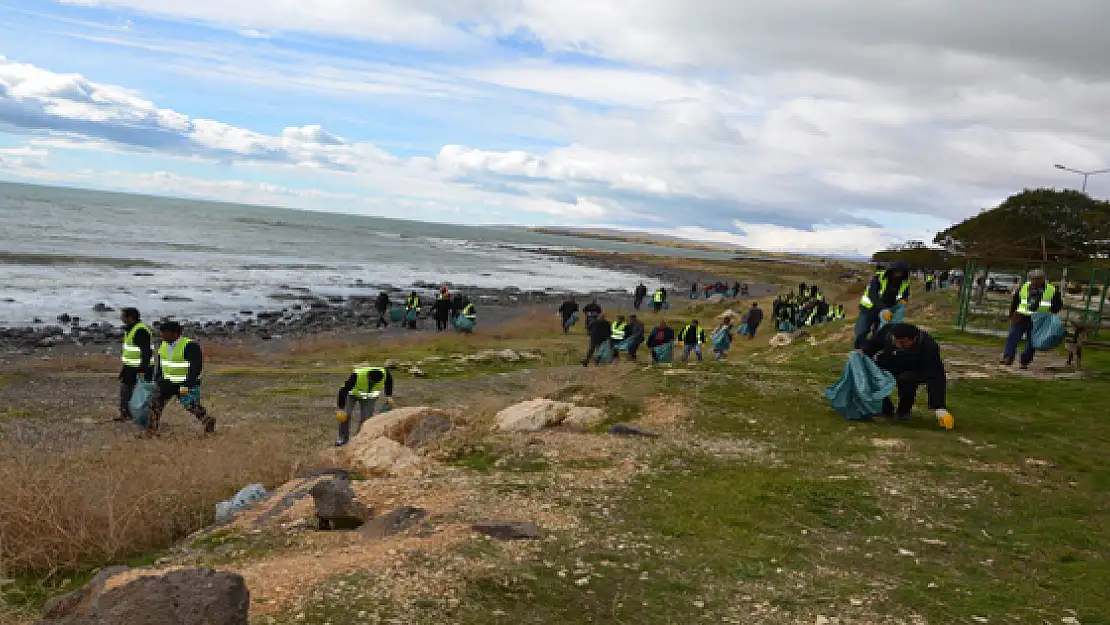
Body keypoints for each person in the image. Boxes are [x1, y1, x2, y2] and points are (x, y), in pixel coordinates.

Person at [859, 323, 954, 428]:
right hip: (889, 363)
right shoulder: (888, 331)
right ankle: (884, 408)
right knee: (871, 374)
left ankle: (903, 412)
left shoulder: (928, 346)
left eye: (901, 343)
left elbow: (936, 375)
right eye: (894, 341)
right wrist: (863, 352)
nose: (897, 345)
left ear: (912, 340)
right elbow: (873, 345)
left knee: (907, 380)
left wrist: (939, 407)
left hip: (913, 370)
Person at [147, 321, 214, 435]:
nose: (162, 335)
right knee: (154, 405)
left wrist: (187, 384)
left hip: (184, 383)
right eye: (161, 333)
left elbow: (195, 367)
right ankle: (151, 430)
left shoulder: (190, 346)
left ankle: (207, 421)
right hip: (166, 382)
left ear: (175, 333)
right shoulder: (163, 345)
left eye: (165, 333)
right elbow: (162, 363)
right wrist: (158, 378)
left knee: (191, 406)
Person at [1001, 269, 1063, 369]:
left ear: (1043, 279)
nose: (1035, 281)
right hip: (1020, 317)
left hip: (1039, 319)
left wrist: (1051, 312)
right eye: (1033, 279)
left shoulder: (1052, 290)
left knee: (1032, 342)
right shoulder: (1024, 287)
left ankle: (1024, 361)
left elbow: (1058, 304)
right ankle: (1008, 357)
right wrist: (1011, 314)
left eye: (1038, 279)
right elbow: (1015, 301)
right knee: (1012, 336)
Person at [854, 260, 911, 349]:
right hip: (869, 308)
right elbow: (872, 294)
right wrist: (883, 308)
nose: (898, 274)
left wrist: (903, 301)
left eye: (901, 272)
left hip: (887, 311)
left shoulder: (904, 282)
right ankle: (858, 350)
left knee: (879, 333)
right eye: (896, 271)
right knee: (862, 330)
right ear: (891, 270)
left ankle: (873, 351)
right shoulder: (878, 277)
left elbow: (904, 295)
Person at [335, 364, 394, 446]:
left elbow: (389, 382)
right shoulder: (357, 375)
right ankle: (343, 438)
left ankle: (360, 438)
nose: (373, 384)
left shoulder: (385, 373)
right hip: (352, 395)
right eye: (371, 382)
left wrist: (389, 396)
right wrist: (341, 408)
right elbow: (343, 391)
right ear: (368, 376)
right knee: (345, 415)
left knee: (366, 419)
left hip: (369, 398)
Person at [117, 307, 153, 422]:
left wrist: (142, 369)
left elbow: (146, 352)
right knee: (125, 391)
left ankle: (142, 417)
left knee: (141, 395)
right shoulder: (130, 329)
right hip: (129, 367)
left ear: (130, 317)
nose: (121, 318)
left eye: (123, 316)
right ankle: (126, 414)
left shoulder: (140, 331)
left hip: (140, 368)